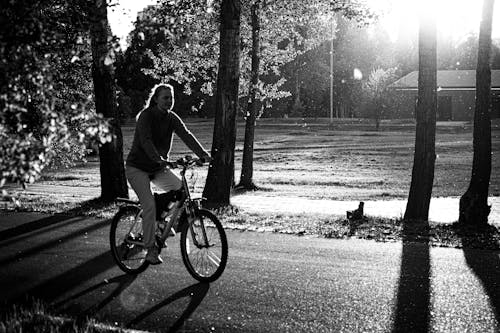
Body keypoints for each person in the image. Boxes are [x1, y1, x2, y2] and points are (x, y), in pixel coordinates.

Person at [126, 83, 211, 265]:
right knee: (148, 205)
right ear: (156, 98)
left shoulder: (172, 118)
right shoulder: (146, 116)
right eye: (165, 97)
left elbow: (186, 135)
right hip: (137, 167)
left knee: (180, 189)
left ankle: (161, 222)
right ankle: (150, 249)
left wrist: (203, 154)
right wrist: (159, 159)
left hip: (157, 167)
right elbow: (146, 141)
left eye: (171, 98)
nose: (169, 101)